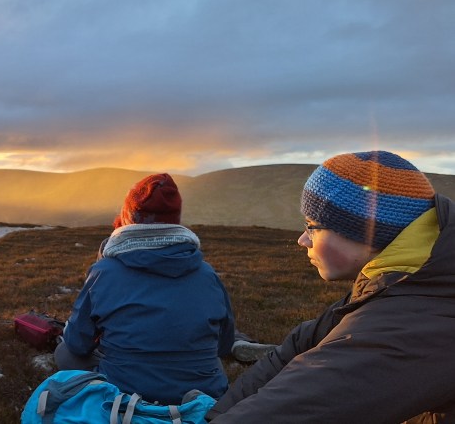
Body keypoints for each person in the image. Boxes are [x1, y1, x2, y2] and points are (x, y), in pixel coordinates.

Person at [208, 150, 455, 423]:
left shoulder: (409, 324)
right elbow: (299, 345)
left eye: (312, 226)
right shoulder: (404, 279)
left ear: (365, 231)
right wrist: (215, 416)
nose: (303, 240)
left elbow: (291, 407)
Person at [55, 173, 238, 404]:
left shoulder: (105, 271)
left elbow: (77, 343)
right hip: (203, 392)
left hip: (126, 390)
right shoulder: (207, 273)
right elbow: (224, 345)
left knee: (63, 353)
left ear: (129, 216)